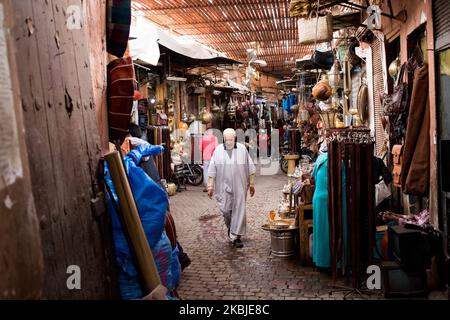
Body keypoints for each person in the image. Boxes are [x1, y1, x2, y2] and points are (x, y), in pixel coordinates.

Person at [207, 128, 256, 248]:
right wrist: (210, 186)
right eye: (226, 139)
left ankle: (236, 236)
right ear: (223, 139)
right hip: (222, 187)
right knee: (225, 210)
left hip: (240, 186)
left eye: (231, 139)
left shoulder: (242, 149)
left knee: (239, 210)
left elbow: (250, 167)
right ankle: (231, 227)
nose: (229, 141)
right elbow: (212, 169)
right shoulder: (218, 150)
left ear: (234, 139)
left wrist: (252, 184)